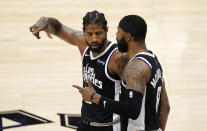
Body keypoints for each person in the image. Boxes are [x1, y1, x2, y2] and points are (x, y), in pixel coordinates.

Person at [29, 10, 128, 131]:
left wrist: (96, 98)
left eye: (98, 33)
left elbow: (133, 102)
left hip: (109, 126)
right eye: (89, 34)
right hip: (85, 123)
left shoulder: (118, 58)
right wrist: (45, 20)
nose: (94, 39)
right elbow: (59, 28)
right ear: (84, 32)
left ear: (107, 30)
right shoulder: (83, 44)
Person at [73, 15, 170, 131]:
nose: (116, 37)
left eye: (118, 32)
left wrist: (95, 97)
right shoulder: (154, 60)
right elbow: (165, 106)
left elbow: (133, 109)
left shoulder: (135, 67)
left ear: (128, 37)